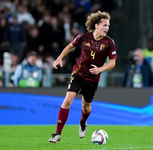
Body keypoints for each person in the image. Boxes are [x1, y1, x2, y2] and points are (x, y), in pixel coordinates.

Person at [49, 11, 117, 143]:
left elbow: (113, 63)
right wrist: (59, 58)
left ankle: (83, 122)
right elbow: (70, 46)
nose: (107, 28)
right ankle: (57, 133)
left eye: (108, 26)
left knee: (86, 107)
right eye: (104, 25)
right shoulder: (84, 37)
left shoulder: (109, 43)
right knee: (68, 100)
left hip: (92, 79)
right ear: (96, 25)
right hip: (78, 74)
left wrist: (99, 70)